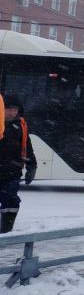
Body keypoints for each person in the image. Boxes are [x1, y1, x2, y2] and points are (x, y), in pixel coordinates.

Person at [0, 94, 35, 233]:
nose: (12, 112)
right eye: (9, 109)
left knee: (11, 200)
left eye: (15, 110)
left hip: (12, 172)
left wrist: (32, 166)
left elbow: (27, 146)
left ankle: (6, 230)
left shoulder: (21, 124)